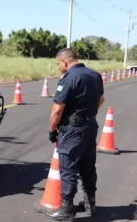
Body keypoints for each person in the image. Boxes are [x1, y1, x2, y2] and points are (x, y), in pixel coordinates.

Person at [45, 48, 104, 221]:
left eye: (58, 64)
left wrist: (52, 129)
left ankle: (66, 210)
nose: (58, 67)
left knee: (68, 168)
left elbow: (57, 109)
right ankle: (90, 203)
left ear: (64, 61)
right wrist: (86, 116)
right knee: (87, 166)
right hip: (90, 126)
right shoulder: (95, 75)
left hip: (72, 130)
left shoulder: (69, 78)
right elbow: (101, 100)